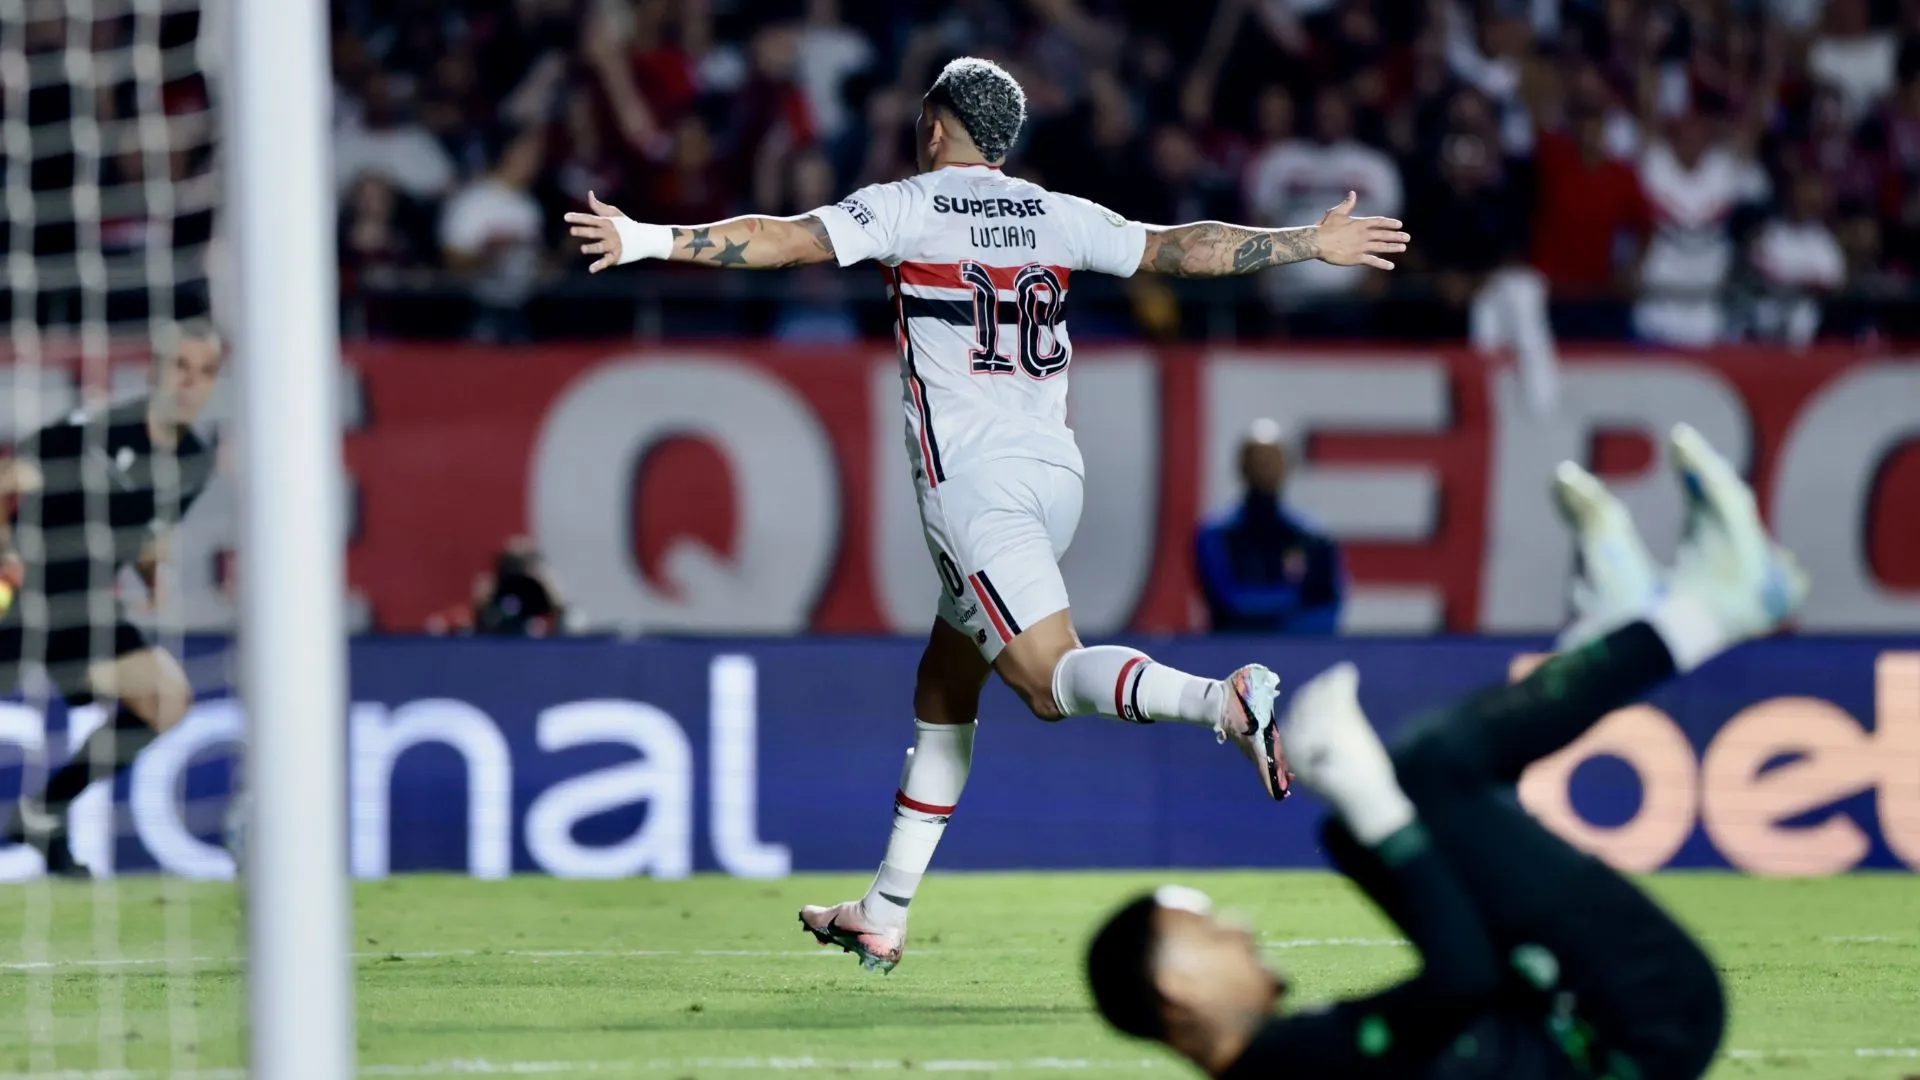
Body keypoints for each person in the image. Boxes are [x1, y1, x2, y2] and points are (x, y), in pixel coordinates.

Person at [564, 56, 1410, 972]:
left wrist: (648, 238)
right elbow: (1182, 246)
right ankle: (882, 910)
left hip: (975, 488)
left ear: (934, 126)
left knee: (1047, 684)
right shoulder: (1055, 212)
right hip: (1054, 475)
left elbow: (780, 237)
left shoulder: (907, 205)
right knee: (944, 690)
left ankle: (1222, 701)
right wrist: (1303, 243)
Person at [1087, 423, 1808, 1080]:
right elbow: (1464, 977)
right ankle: (1709, 610)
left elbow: (1471, 976)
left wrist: (1372, 824)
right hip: (1640, 1021)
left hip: (1592, 1019)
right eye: (1209, 932)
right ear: (1174, 987)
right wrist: (1378, 809)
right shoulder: (1285, 1065)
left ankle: (1607, 642)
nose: (1237, 927)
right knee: (1421, 779)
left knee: (1360, 830)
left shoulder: (1277, 1059)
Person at [0, 323, 224, 877]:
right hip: (21, 592)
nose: (190, 383)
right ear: (154, 370)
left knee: (166, 699)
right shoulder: (98, 428)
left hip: (80, 610)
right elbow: (10, 477)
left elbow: (151, 532)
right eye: (181, 366)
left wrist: (154, 577)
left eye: (206, 373)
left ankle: (43, 814)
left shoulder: (195, 463)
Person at [1194, 419, 1344, 634]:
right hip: (1230, 656)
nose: (1265, 468)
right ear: (1242, 466)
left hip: (1299, 656)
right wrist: (1296, 597)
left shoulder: (1313, 536)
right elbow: (1226, 602)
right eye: (1257, 459)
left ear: (1287, 465)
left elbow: (1329, 605)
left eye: (1273, 459)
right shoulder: (1216, 534)